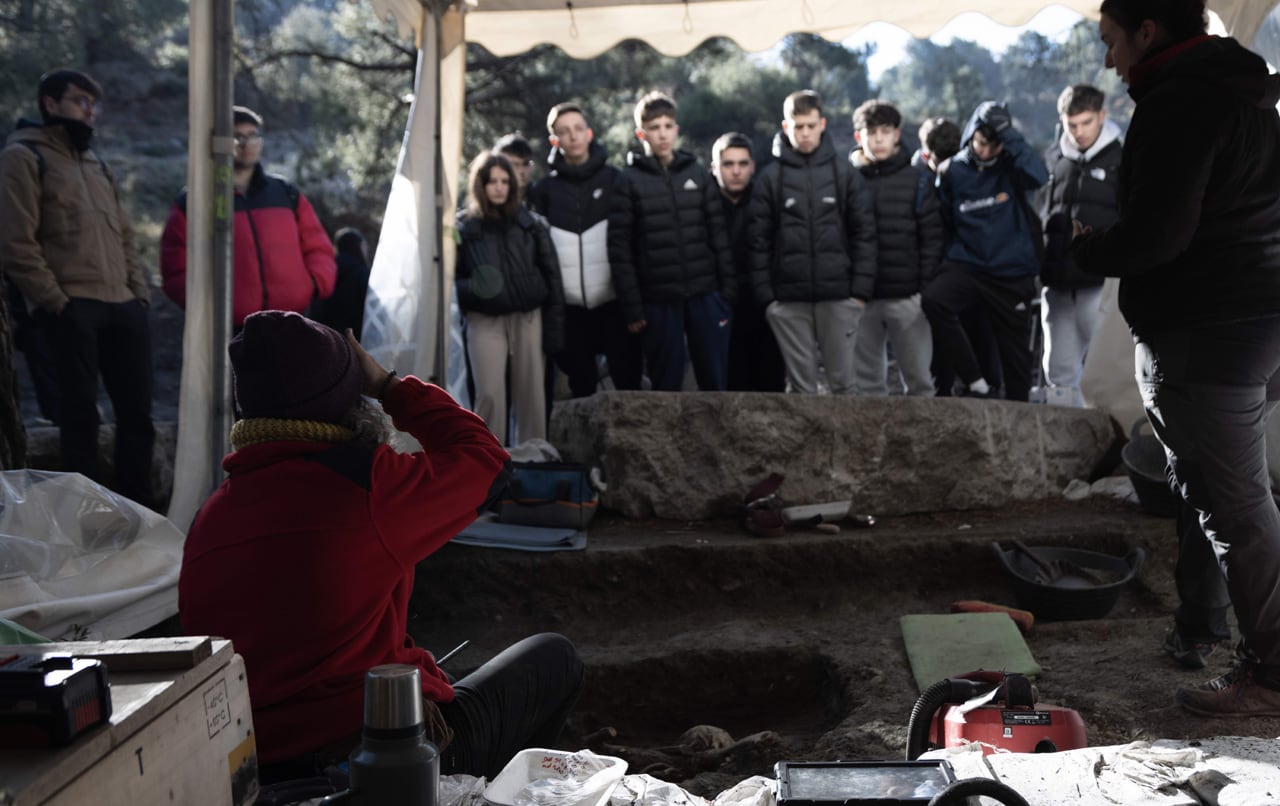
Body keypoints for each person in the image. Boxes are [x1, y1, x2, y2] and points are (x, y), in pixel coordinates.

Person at [179, 310, 583, 778]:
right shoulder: (367, 487)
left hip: (252, 767)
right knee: (555, 658)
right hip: (381, 763)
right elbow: (488, 462)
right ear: (350, 402)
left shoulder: (209, 516)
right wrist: (391, 385)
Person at [1070, 0, 1280, 716]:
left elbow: (1158, 237)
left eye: (1111, 41)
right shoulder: (1246, 91)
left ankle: (1273, 675)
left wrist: (1084, 245)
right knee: (1241, 502)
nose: (1108, 60)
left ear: (1148, 32)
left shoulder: (1180, 101)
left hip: (1206, 328)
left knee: (1237, 508)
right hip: (1247, 315)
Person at [0, 69, 152, 500]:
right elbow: (15, 243)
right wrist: (57, 302)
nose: (90, 112)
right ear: (50, 104)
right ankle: (83, 523)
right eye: (80, 102)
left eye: (93, 104)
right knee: (80, 420)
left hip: (123, 305)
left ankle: (139, 512)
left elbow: (124, 236)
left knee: (137, 416)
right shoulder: (23, 157)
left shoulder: (96, 164)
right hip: (71, 308)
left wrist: (138, 294)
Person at [747, 89, 877, 395]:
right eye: (798, 126)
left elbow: (864, 235)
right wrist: (768, 300)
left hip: (839, 297)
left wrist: (859, 293)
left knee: (845, 386)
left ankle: (849, 444)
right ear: (785, 127)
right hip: (787, 302)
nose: (804, 133)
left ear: (822, 124)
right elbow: (757, 242)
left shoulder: (844, 174)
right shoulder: (770, 178)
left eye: (810, 125)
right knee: (801, 390)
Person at [160, 105, 336, 329]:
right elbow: (175, 268)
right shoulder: (194, 200)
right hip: (228, 330)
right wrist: (207, 303)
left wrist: (314, 285)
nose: (245, 145)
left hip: (294, 321)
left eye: (252, 136)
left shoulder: (285, 192)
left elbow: (319, 247)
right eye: (237, 137)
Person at [608, 91, 735, 392]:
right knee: (666, 385)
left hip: (705, 295)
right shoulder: (627, 181)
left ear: (676, 129)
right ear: (642, 134)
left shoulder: (697, 174)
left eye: (667, 125)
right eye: (654, 127)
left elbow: (718, 235)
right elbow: (620, 249)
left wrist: (726, 294)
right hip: (658, 301)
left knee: (714, 381)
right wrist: (634, 308)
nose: (662, 133)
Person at [922, 100, 1048, 402]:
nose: (987, 151)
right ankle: (974, 380)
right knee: (935, 301)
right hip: (968, 265)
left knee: (1015, 355)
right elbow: (945, 218)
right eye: (981, 143)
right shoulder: (952, 170)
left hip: (1010, 271)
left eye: (995, 145)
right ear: (970, 136)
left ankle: (1020, 414)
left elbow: (1040, 177)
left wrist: (1009, 136)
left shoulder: (1012, 166)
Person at [527, 102, 642, 397]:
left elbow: (633, 242)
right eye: (564, 132)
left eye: (578, 129)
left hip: (614, 304)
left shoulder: (616, 180)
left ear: (589, 133)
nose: (573, 136)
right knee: (581, 391)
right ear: (555, 141)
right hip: (569, 311)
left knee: (628, 384)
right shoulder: (544, 190)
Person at [457, 152, 565, 446]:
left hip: (528, 317)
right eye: (492, 181)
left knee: (531, 394)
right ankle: (488, 462)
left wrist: (555, 334)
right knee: (489, 394)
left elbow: (553, 278)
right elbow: (451, 282)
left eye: (505, 181)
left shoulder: (532, 224)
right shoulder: (464, 227)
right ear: (480, 185)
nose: (499, 187)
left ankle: (534, 456)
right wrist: (474, 289)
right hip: (484, 320)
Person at [849, 100, 944, 396]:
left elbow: (933, 237)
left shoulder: (918, 180)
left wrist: (922, 290)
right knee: (867, 389)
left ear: (897, 135)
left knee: (919, 384)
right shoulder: (847, 181)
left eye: (885, 131)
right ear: (858, 137)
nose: (878, 139)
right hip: (860, 301)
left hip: (908, 299)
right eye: (871, 131)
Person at [1038, 84, 1121, 407]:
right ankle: (1062, 448)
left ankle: (1110, 448)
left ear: (1102, 116)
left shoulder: (1122, 159)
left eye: (1086, 122)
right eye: (1072, 124)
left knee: (1103, 371)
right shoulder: (1056, 158)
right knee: (1057, 373)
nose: (1079, 132)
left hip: (1101, 286)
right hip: (1057, 285)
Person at [712, 132, 784, 393]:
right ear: (715, 168)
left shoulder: (766, 201)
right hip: (721, 307)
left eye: (742, 164)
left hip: (763, 305)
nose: (736, 171)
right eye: (728, 164)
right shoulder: (705, 206)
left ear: (752, 166)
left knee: (771, 383)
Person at [308, 227, 371, 337]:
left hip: (328, 340)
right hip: (357, 342)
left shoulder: (327, 272)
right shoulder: (363, 274)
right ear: (358, 246)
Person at [494, 132, 536, 203]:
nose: (521, 171)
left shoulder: (543, 198)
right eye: (514, 165)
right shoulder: (487, 202)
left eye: (525, 164)